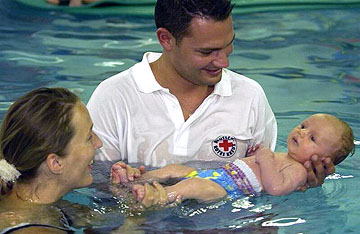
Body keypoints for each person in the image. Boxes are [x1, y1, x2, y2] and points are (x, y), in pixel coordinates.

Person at [89, 0, 334, 190]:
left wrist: (298, 181)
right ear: (166, 39)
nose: (224, 61)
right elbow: (94, 187)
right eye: (208, 52)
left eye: (228, 45)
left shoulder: (250, 97)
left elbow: (262, 186)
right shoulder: (115, 96)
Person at [113, 114, 354, 207]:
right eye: (303, 125)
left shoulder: (299, 173)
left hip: (224, 190)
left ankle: (158, 198)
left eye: (311, 137)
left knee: (191, 186)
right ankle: (138, 178)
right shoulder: (283, 156)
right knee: (177, 169)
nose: (300, 132)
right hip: (219, 176)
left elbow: (276, 188)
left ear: (323, 160)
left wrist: (264, 157)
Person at [0, 87, 103, 232]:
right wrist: (135, 220)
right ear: (56, 163)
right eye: (89, 138)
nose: (99, 143)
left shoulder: (39, 204)